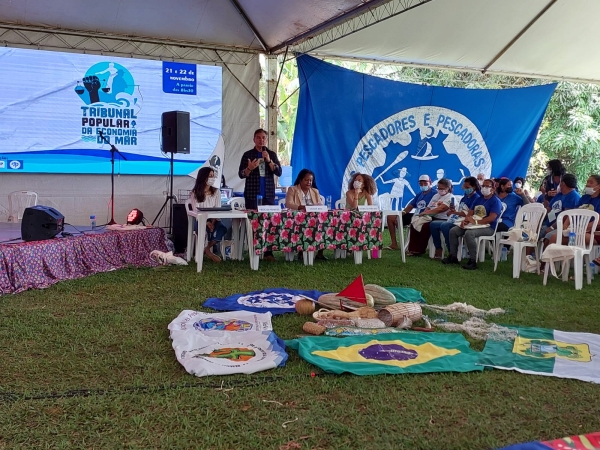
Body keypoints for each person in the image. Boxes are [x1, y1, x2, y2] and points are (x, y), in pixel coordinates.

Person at [238, 128, 282, 261]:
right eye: (258, 137)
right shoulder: (247, 155)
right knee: (253, 222)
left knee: (269, 223)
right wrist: (249, 168)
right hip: (252, 194)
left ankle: (268, 252)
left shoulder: (271, 154)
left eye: (263, 137)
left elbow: (279, 172)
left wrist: (269, 160)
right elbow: (241, 174)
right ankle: (253, 250)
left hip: (268, 194)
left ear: (266, 140)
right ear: (254, 139)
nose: (261, 140)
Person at [442, 178, 503, 270]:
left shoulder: (496, 201)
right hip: (473, 224)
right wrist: (465, 221)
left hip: (489, 227)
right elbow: (470, 213)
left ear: (493, 189)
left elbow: (491, 218)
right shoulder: (478, 199)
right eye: (483, 186)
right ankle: (453, 256)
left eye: (487, 186)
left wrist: (476, 222)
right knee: (453, 231)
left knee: (469, 233)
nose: (484, 188)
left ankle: (472, 261)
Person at [430, 176, 481, 259]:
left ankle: (451, 252)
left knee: (445, 226)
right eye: (464, 186)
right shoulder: (465, 197)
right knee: (433, 224)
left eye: (467, 187)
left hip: (466, 222)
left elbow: (470, 214)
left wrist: (454, 212)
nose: (464, 188)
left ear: (474, 187)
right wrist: (454, 210)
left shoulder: (476, 199)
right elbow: (460, 211)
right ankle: (438, 248)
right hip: (457, 219)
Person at [548, 175, 600, 248]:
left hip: (593, 233)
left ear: (598, 186)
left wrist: (581, 229)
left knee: (567, 238)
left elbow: (598, 221)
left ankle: (573, 254)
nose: (587, 184)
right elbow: (573, 213)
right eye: (587, 182)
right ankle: (552, 256)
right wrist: (565, 226)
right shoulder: (584, 198)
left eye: (591, 182)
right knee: (554, 237)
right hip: (576, 230)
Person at [386, 175, 436, 250]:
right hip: (416, 215)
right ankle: (394, 243)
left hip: (426, 217)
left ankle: (416, 247)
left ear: (430, 183)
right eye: (421, 183)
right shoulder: (420, 194)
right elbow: (410, 206)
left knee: (417, 220)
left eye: (425, 183)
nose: (423, 185)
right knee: (391, 217)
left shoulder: (435, 194)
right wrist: (401, 214)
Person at [285, 169, 326, 260]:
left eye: (311, 180)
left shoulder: (315, 191)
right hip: (298, 218)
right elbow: (288, 204)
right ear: (300, 180)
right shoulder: (293, 189)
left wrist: (318, 206)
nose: (309, 182)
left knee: (324, 224)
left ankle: (320, 252)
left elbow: (320, 204)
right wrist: (302, 207)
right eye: (306, 180)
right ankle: (301, 251)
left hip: (314, 217)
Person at [406, 178, 453, 256]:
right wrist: (425, 213)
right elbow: (428, 207)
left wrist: (426, 213)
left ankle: (421, 250)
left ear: (448, 188)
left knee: (425, 226)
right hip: (431, 217)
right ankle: (413, 249)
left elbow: (441, 209)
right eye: (438, 188)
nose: (440, 190)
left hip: (443, 219)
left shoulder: (450, 197)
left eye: (442, 188)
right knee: (415, 223)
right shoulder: (436, 196)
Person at [191, 167, 228, 263]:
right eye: (210, 176)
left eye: (213, 176)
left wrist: (213, 222)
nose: (212, 178)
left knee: (222, 228)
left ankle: (207, 249)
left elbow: (217, 209)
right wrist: (207, 223)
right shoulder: (195, 193)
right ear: (203, 177)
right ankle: (206, 251)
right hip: (201, 220)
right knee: (202, 230)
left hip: (214, 220)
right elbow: (196, 211)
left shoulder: (216, 192)